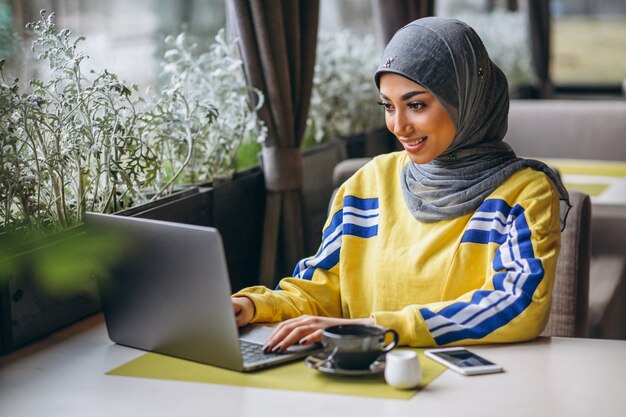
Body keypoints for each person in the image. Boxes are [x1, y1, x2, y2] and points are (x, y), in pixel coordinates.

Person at [231, 16, 570, 353]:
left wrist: (375, 328)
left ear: (469, 99)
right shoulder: (368, 183)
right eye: (388, 107)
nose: (398, 125)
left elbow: (518, 303)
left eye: (416, 105)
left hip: (463, 392)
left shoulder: (526, 193)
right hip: (365, 380)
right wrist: (255, 305)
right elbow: (322, 289)